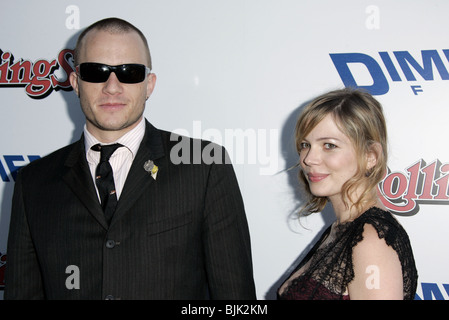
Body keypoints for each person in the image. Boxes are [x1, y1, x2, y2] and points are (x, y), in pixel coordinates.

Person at [5, 17, 256, 300]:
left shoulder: (204, 166)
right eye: (96, 71)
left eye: (130, 72)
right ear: (76, 82)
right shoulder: (34, 182)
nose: (112, 87)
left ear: (149, 84)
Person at [278, 88, 418, 300]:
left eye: (329, 145)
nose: (308, 159)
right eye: (305, 145)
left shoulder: (371, 240)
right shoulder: (343, 228)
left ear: (370, 156)